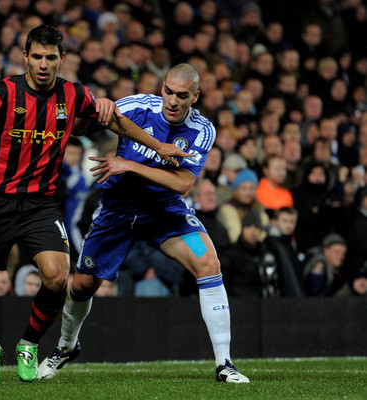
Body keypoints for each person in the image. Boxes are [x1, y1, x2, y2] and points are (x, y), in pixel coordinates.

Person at [0, 25, 188, 384]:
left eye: (51, 57)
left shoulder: (74, 95)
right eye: (37, 57)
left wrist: (159, 146)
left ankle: (29, 343)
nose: (44, 64)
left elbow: (116, 122)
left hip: (41, 204)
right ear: (25, 57)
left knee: (58, 277)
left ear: (62, 59)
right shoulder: (3, 91)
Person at [38, 63, 249, 383]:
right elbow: (80, 129)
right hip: (116, 214)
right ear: (161, 88)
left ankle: (225, 364)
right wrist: (100, 108)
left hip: (167, 217)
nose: (172, 101)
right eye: (168, 91)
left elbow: (182, 184)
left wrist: (130, 166)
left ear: (195, 96)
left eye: (181, 95)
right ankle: (67, 346)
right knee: (81, 285)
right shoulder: (136, 106)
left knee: (207, 262)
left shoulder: (202, 130)